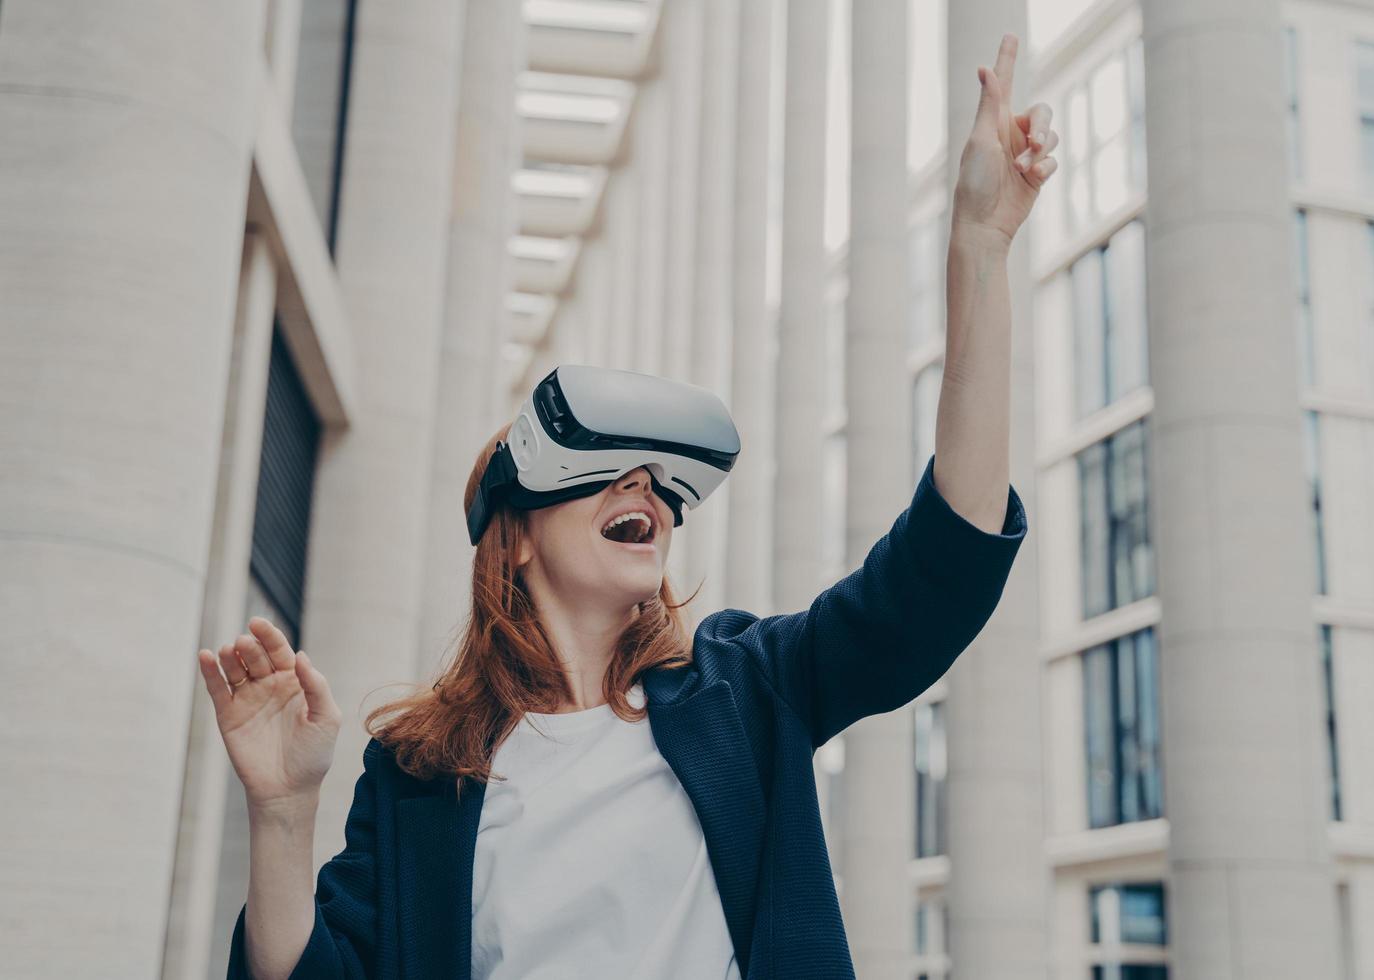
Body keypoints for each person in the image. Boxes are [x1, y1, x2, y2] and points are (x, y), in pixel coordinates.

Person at [197, 32, 1056, 980]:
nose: (643, 487)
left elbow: (944, 568)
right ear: (513, 538)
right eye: (606, 470)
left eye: (655, 478)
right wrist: (280, 818)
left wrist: (979, 246)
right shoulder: (418, 776)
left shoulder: (747, 689)